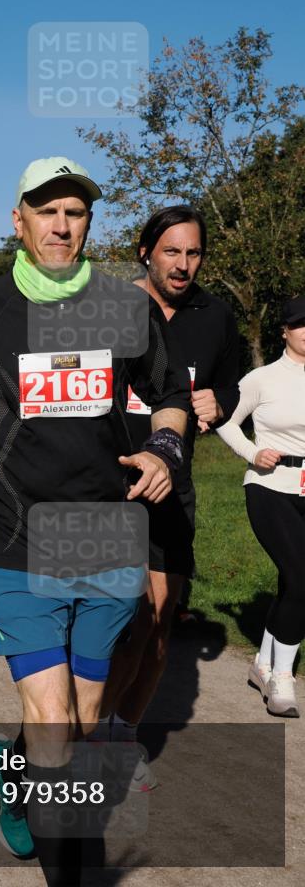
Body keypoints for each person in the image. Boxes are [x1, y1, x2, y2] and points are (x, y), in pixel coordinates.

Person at [0, 157, 189, 865]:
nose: (62, 224)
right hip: (11, 538)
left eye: (76, 212)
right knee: (58, 725)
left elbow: (171, 396)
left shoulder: (127, 305)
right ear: (19, 219)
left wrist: (161, 449)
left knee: (83, 720)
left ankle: (12, 767)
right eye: (48, 210)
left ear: (89, 223)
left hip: (101, 537)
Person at [100, 205, 240, 780]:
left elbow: (229, 383)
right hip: (105, 486)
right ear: (145, 251)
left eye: (194, 253)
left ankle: (120, 736)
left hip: (172, 489)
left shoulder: (215, 316)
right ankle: (70, 731)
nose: (184, 265)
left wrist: (219, 402)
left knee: (156, 624)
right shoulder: (107, 310)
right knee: (104, 622)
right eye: (172, 252)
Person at [216, 295, 305, 718]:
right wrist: (253, 453)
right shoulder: (261, 379)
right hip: (269, 488)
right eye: (301, 324)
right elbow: (225, 421)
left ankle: (263, 664)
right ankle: (282, 681)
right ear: (284, 331)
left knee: (293, 581)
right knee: (301, 578)